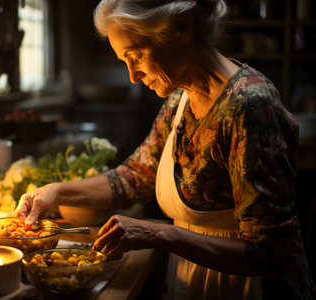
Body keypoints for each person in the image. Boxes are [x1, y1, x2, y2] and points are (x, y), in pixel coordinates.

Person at [16, 0, 316, 299]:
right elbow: (136, 176)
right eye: (125, 61)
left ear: (182, 27)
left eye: (137, 55)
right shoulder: (181, 97)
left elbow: (273, 253)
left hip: (247, 288)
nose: (133, 76)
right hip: (196, 278)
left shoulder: (248, 105)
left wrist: (157, 233)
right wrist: (56, 192)